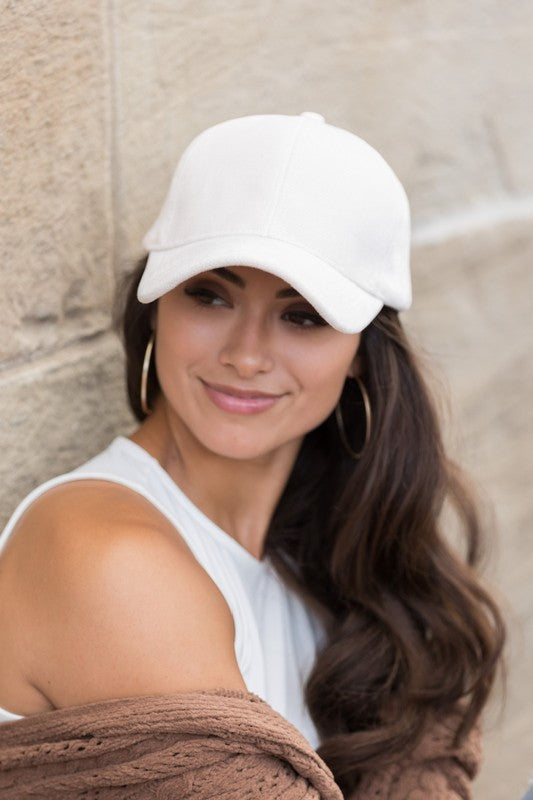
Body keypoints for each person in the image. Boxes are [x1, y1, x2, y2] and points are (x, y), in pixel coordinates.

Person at [0, 111, 504, 797]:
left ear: (362, 357)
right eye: (209, 295)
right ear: (155, 313)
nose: (244, 354)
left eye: (301, 316)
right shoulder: (103, 556)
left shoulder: (332, 558)